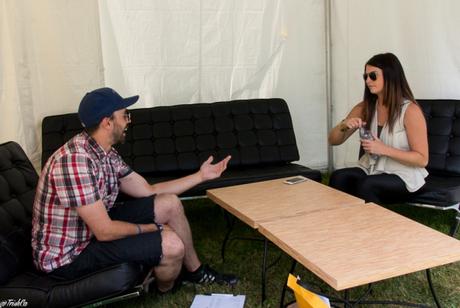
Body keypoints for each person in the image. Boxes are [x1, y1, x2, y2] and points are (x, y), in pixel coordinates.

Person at [31, 87, 237, 293]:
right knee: (173, 245)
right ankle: (164, 288)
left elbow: (149, 189)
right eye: (124, 116)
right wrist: (154, 228)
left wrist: (201, 176)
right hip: (70, 256)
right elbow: (104, 231)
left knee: (170, 203)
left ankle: (195, 272)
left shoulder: (104, 151)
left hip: (91, 229)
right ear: (107, 122)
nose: (129, 120)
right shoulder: (75, 162)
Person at [328, 53, 429, 204]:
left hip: (403, 174)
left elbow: (422, 159)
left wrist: (383, 149)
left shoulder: (410, 111)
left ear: (390, 76)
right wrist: (343, 125)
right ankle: (341, 222)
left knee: (368, 184)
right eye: (365, 76)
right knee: (339, 177)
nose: (368, 80)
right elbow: (333, 141)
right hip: (371, 168)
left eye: (373, 76)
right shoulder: (365, 108)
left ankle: (372, 226)